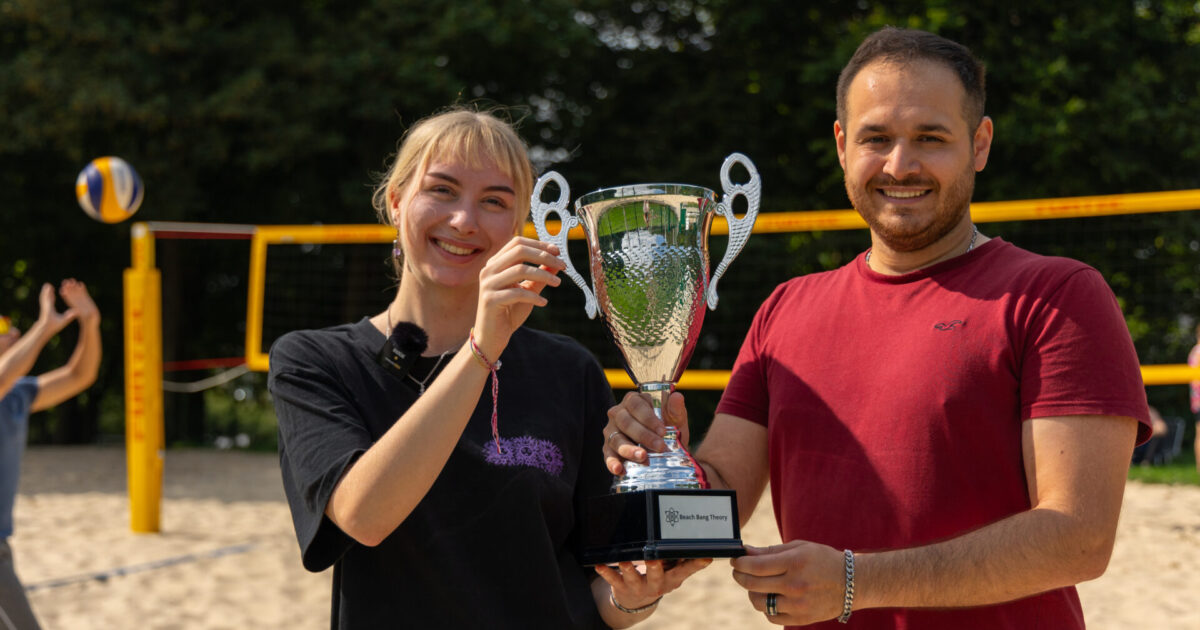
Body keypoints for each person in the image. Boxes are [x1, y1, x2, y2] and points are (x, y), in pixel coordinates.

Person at [603, 27, 1151, 629]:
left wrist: (856, 583)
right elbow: (724, 489)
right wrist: (661, 464)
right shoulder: (787, 307)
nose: (900, 164)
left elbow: (1078, 537)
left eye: (930, 138)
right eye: (877, 138)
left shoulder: (1056, 297)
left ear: (980, 142)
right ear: (842, 145)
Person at [268, 107, 708, 629]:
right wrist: (483, 348)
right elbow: (364, 517)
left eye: (494, 201)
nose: (464, 221)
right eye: (442, 190)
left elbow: (595, 586)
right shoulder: (316, 361)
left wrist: (638, 593)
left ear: (521, 223)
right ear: (395, 201)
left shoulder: (568, 370)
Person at [1, 279, 102, 630]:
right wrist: (44, 326)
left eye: (11, 325)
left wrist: (89, 323)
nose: (12, 332)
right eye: (2, 327)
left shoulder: (16, 395)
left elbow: (79, 375)